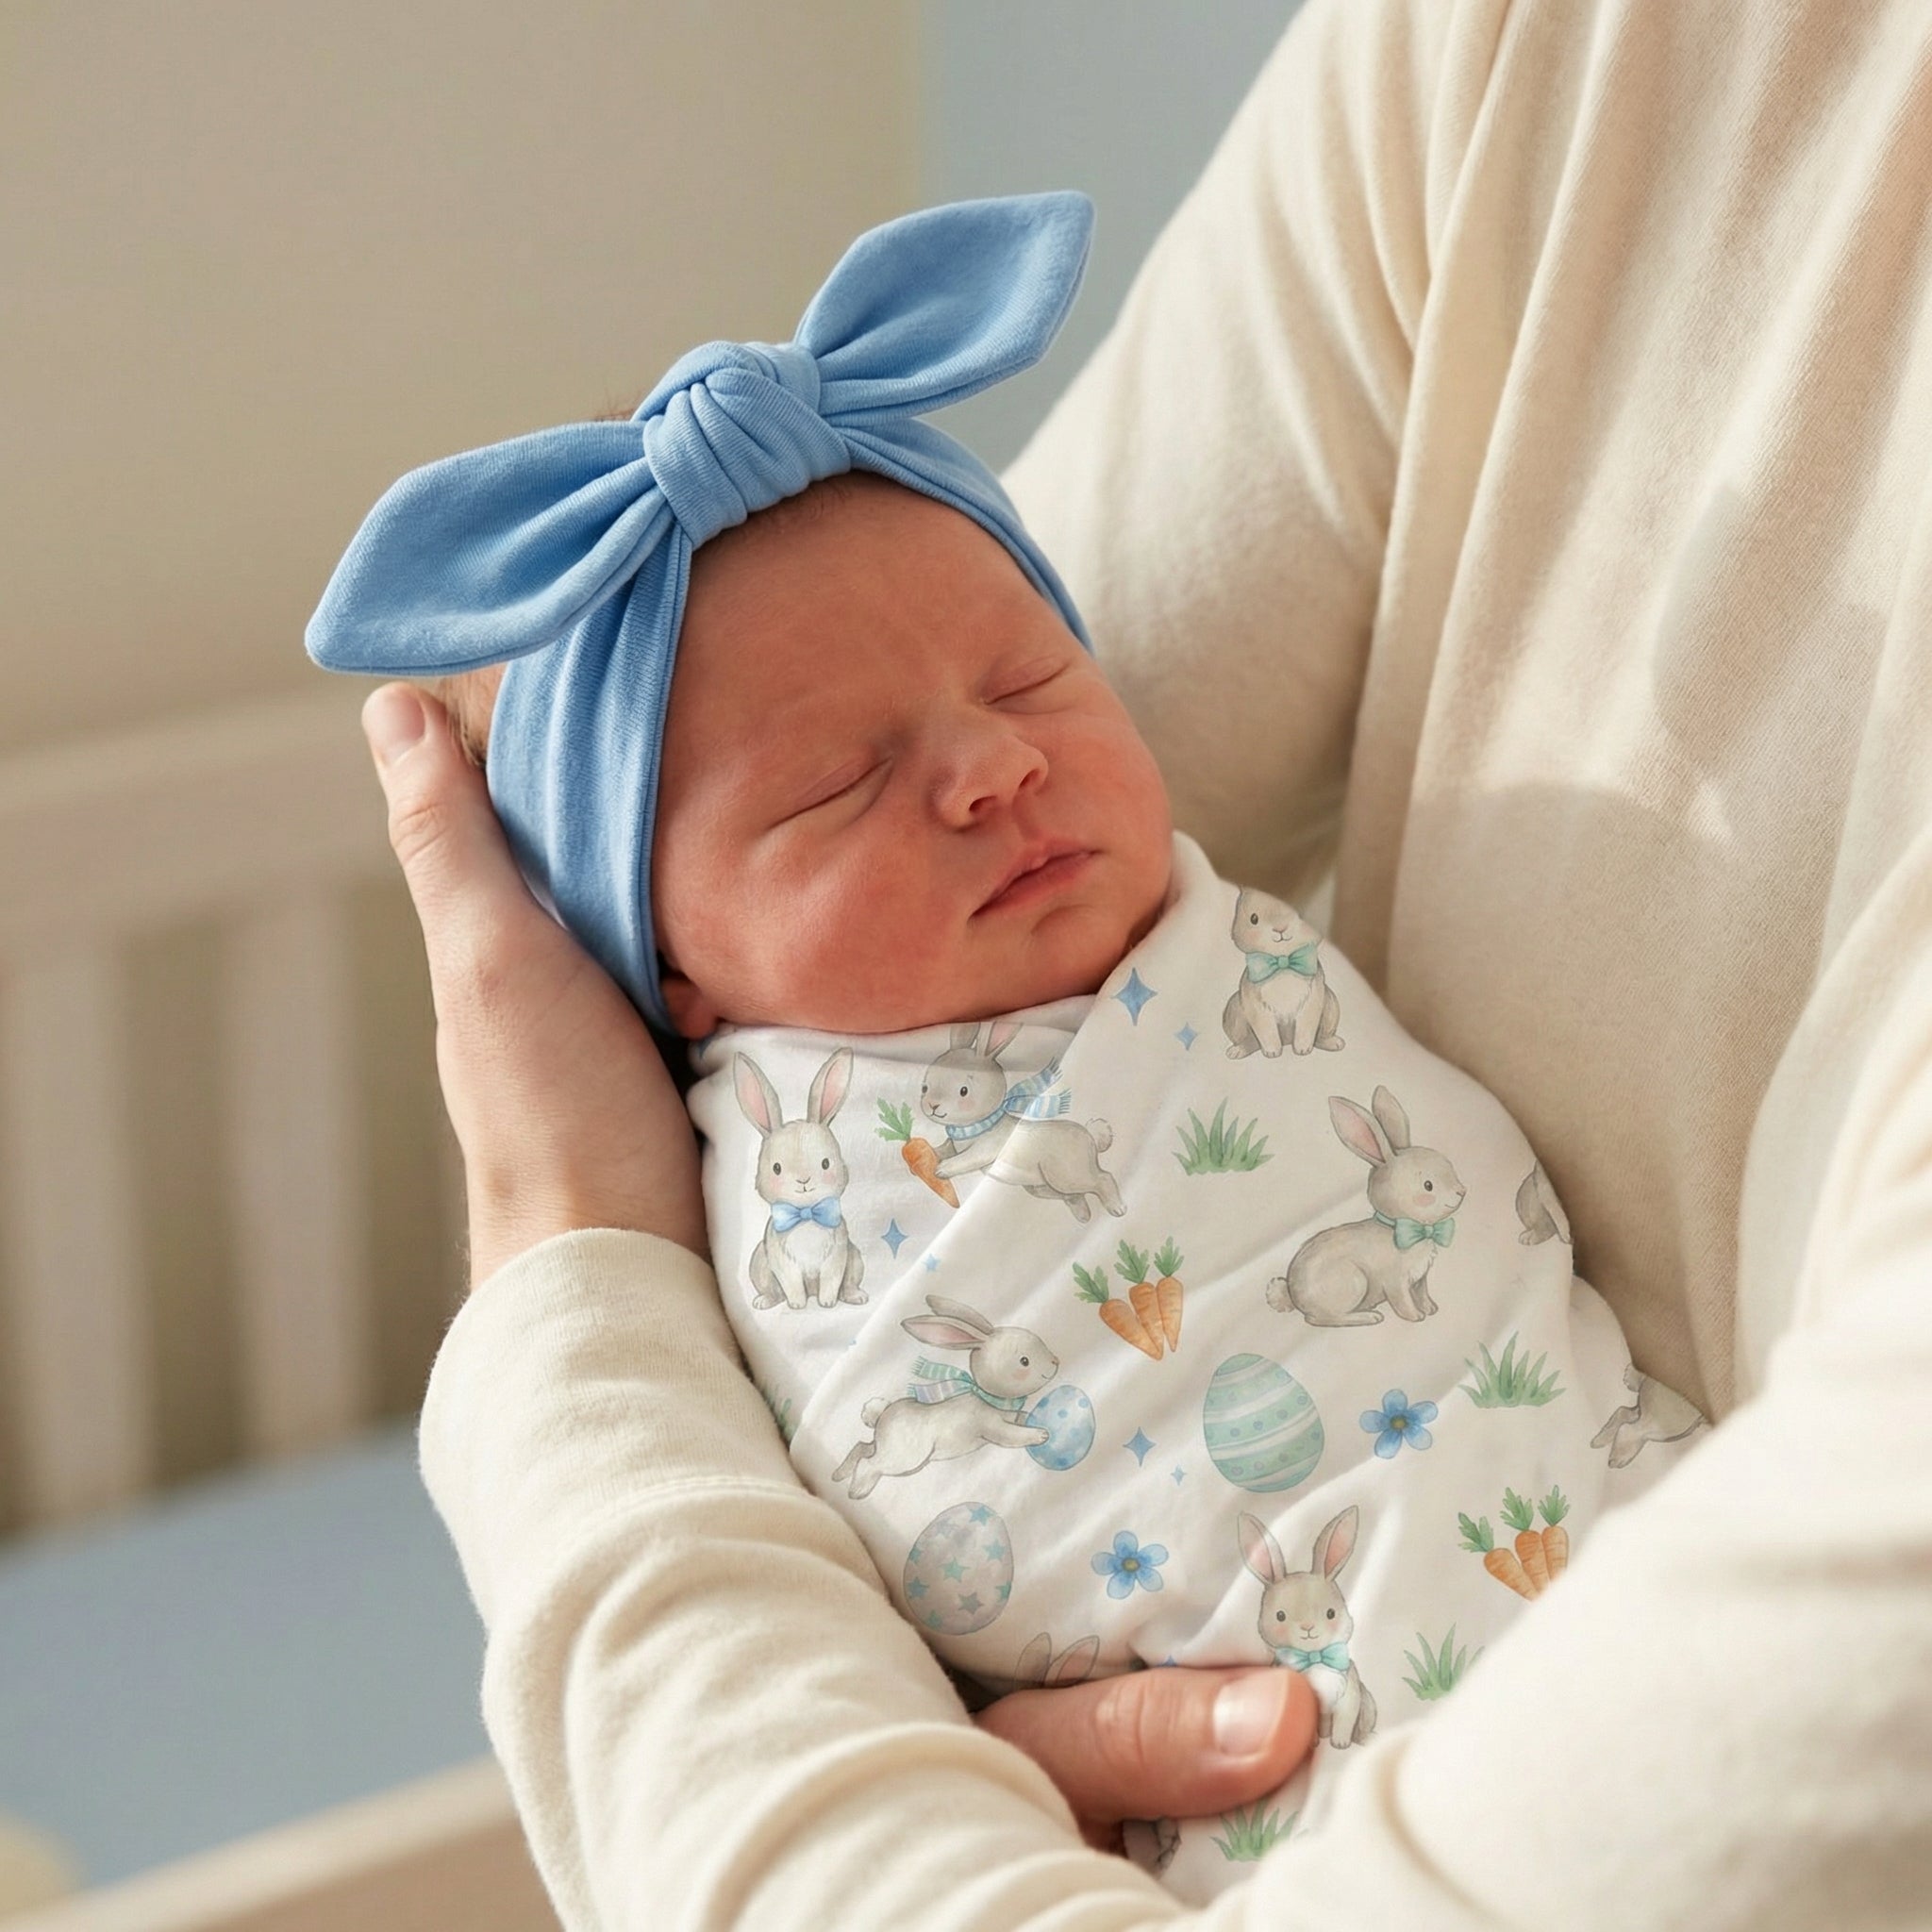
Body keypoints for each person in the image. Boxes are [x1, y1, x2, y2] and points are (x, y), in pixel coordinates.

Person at [361, 0, 1932, 1924]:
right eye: (844, 781)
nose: (1005, 757)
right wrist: (920, 1686)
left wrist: (566, 1262)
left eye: (1026, 688)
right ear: (667, 979)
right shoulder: (1568, 51)